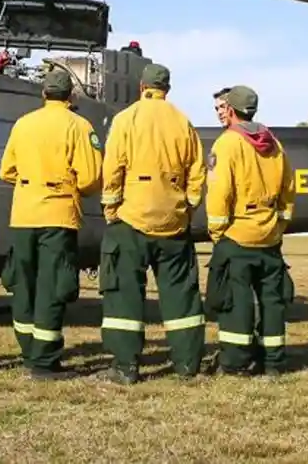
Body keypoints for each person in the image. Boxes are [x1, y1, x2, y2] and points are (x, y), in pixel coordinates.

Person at [95, 62, 207, 384]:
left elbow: (113, 167)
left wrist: (111, 207)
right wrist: (187, 206)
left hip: (131, 219)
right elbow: (197, 172)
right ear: (166, 89)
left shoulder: (126, 119)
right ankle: (187, 365)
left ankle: (125, 367)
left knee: (123, 294)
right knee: (182, 295)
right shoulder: (182, 122)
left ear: (142, 88)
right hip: (173, 222)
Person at [0, 68, 103, 379]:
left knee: (23, 283)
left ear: (43, 94)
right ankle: (45, 363)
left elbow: (7, 170)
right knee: (52, 286)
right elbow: (90, 177)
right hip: (58, 215)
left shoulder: (23, 124)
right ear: (71, 96)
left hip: (24, 213)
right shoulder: (79, 125)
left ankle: (29, 350)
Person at [204, 84, 296, 377]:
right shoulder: (274, 144)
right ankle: (274, 363)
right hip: (270, 239)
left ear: (230, 109)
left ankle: (234, 362)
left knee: (236, 303)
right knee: (272, 303)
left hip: (237, 237)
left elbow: (219, 193)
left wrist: (218, 232)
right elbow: (288, 191)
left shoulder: (228, 143)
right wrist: (278, 226)